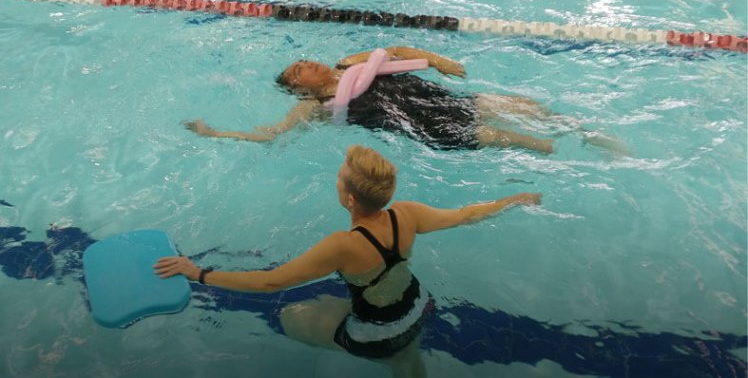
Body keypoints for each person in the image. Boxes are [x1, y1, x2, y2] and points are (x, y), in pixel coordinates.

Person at [154, 145, 542, 377]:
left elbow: (271, 283)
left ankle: (395, 359)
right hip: (420, 307)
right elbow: (465, 214)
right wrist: (512, 200)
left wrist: (199, 273)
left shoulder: (343, 245)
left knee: (292, 316)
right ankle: (405, 360)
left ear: (350, 199)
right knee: (391, 340)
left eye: (339, 180)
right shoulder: (406, 214)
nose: (336, 183)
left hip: (380, 334)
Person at [183, 46, 562, 153]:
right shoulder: (316, 107)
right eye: (298, 72)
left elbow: (394, 51)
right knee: (529, 142)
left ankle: (586, 134)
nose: (306, 64)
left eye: (302, 61)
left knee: (532, 110)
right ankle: (559, 151)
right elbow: (273, 135)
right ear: (301, 89)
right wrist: (213, 133)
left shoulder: (349, 63)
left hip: (446, 100)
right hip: (431, 129)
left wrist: (438, 60)